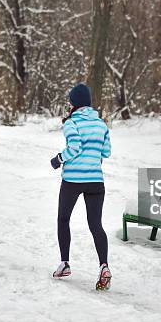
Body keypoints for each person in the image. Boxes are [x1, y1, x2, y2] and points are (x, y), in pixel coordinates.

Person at [49, 83, 112, 291]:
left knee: (63, 219)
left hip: (73, 180)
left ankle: (65, 263)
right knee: (96, 225)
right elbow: (105, 153)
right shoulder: (102, 125)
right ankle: (104, 266)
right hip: (96, 181)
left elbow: (74, 147)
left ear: (73, 102)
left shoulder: (71, 123)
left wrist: (59, 159)